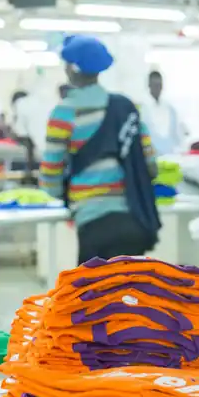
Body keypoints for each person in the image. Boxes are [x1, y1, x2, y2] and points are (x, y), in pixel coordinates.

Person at [41, 35, 160, 263]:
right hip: (133, 220)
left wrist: (61, 198)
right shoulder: (126, 107)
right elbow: (150, 162)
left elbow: (51, 172)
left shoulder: (64, 113)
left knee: (94, 286)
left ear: (72, 69)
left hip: (92, 222)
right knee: (130, 286)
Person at [143, 71, 188, 156]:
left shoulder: (170, 108)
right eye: (155, 85)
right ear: (149, 86)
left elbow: (177, 133)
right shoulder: (143, 109)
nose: (157, 88)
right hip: (151, 154)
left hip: (170, 153)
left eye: (159, 85)